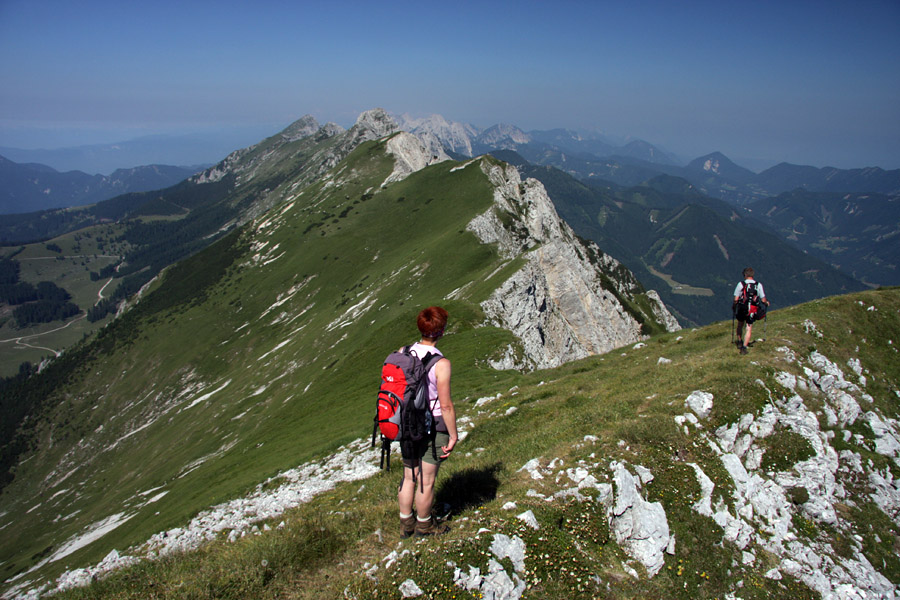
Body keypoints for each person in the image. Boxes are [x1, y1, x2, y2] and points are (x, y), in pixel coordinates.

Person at [398, 306, 458, 537]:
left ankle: (406, 525)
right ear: (441, 331)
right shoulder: (441, 364)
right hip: (433, 424)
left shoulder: (403, 352)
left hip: (407, 422)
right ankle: (425, 526)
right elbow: (446, 406)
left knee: (409, 475)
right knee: (427, 480)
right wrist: (452, 435)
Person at [733, 267, 769, 355]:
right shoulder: (758, 285)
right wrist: (766, 303)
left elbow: (736, 298)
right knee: (748, 327)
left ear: (745, 275)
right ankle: (744, 347)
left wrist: (734, 306)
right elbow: (763, 299)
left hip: (742, 307)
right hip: (752, 309)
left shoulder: (741, 284)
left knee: (740, 324)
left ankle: (739, 341)